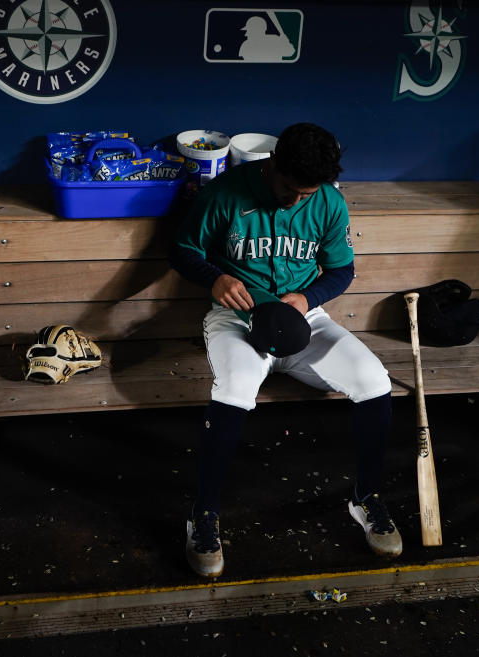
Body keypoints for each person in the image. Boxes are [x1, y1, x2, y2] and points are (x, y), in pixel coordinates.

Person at [170, 123, 402, 578]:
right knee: (235, 384)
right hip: (239, 317)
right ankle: (203, 513)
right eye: (290, 189)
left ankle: (366, 497)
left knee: (375, 380)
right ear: (273, 164)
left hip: (303, 320)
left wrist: (307, 299)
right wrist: (214, 278)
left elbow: (341, 271)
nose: (297, 199)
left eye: (307, 192)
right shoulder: (226, 193)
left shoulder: (329, 202)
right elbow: (183, 251)